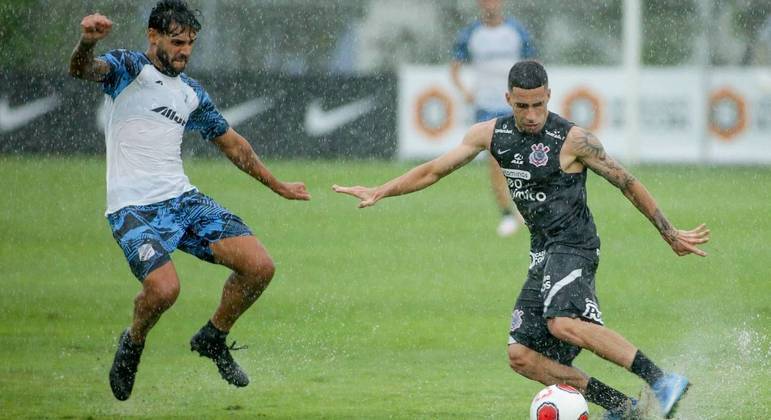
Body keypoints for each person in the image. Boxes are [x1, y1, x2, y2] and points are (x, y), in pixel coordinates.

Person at [333, 60, 709, 419]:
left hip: (576, 246)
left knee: (562, 322)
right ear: (508, 99)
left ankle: (662, 380)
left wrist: (668, 231)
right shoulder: (491, 134)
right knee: (522, 355)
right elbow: (433, 171)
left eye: (539, 104)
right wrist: (381, 190)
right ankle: (626, 408)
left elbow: (626, 182)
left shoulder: (574, 139)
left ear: (550, 96)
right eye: (522, 105)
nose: (531, 114)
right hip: (542, 253)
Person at [68, 0, 310, 401]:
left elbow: (233, 144)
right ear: (153, 36)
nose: (185, 51)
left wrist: (278, 185)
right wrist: (85, 44)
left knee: (260, 268)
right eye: (177, 42)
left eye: (191, 44)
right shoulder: (129, 68)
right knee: (164, 291)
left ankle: (214, 336)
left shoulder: (191, 94)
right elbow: (82, 70)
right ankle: (133, 341)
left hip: (183, 200)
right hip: (133, 209)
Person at [450, 0, 536, 237]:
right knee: (496, 162)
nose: (491, 4)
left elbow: (534, 64)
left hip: (515, 106)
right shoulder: (471, 34)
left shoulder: (516, 31)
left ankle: (527, 209)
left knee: (527, 158)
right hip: (486, 107)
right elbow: (455, 67)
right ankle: (507, 214)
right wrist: (465, 90)